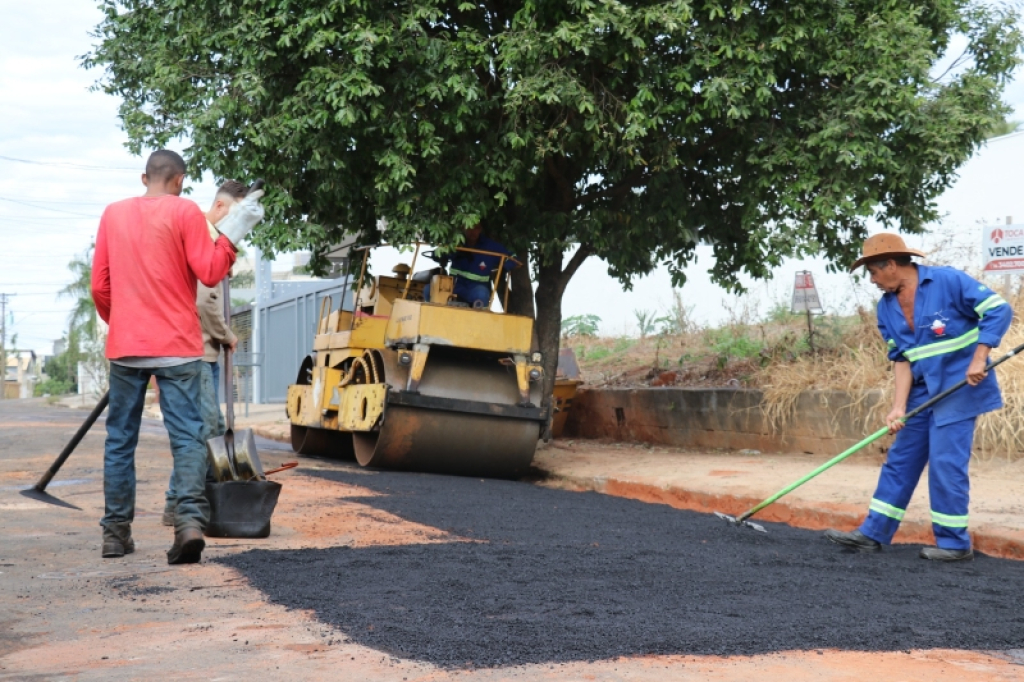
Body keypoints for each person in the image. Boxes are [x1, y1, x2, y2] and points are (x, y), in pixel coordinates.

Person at [91, 150, 264, 564]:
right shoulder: (185, 212)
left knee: (119, 442)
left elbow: (100, 286)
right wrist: (230, 238)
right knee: (187, 439)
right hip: (178, 348)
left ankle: (116, 535)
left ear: (143, 177)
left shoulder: (112, 215)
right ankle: (188, 524)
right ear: (180, 180)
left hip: (127, 347)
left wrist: (126, 322)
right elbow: (209, 271)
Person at [824, 233, 1011, 562]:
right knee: (901, 460)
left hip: (960, 386)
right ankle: (873, 533)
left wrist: (979, 358)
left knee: (945, 464)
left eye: (873, 272)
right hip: (923, 390)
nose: (871, 280)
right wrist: (898, 408)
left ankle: (954, 543)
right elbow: (902, 360)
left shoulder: (948, 281)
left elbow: (998, 310)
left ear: (892, 266)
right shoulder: (886, 308)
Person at [161, 180, 246, 527]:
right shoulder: (206, 236)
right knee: (207, 428)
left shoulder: (199, 233)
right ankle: (190, 505)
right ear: (222, 208)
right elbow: (205, 301)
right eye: (239, 218)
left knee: (199, 429)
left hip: (196, 348)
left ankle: (178, 502)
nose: (240, 229)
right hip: (197, 349)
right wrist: (227, 335)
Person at [435, 224, 518, 307]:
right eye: (469, 228)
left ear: (480, 229)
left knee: (482, 294)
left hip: (477, 289)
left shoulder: (491, 246)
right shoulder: (455, 243)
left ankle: (477, 316)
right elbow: (437, 253)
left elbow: (513, 257)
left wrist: (505, 267)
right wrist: (438, 257)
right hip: (454, 286)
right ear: (463, 228)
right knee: (429, 290)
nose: (473, 231)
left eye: (476, 228)